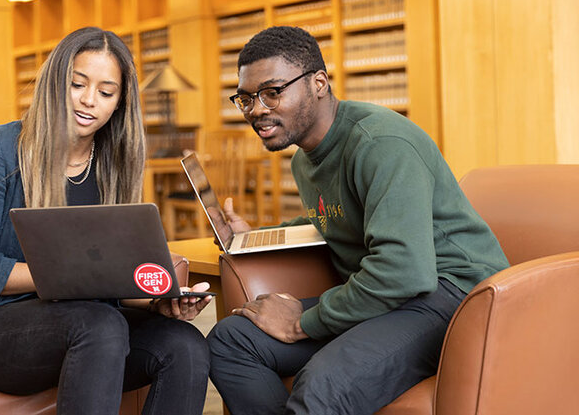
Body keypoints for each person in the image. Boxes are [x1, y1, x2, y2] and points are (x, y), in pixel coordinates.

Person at [207, 26, 510, 415]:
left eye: (272, 92)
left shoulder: (381, 144)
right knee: (231, 340)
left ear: (318, 83)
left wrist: (305, 322)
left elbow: (404, 270)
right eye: (246, 98)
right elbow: (334, 219)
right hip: (384, 295)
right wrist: (255, 236)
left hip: (450, 296)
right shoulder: (305, 159)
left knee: (322, 385)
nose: (257, 109)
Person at [0, 27, 212, 415]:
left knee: (184, 344)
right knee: (99, 324)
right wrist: (66, 277)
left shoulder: (113, 165)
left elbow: (111, 275)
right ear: (56, 82)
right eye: (77, 84)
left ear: (120, 103)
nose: (89, 101)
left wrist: (159, 301)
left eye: (106, 93)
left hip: (88, 325)